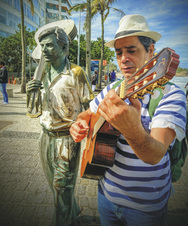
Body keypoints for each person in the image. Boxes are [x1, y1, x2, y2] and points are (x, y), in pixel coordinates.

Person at [69, 14, 186, 226]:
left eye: (131, 50)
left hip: (146, 207)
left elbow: (155, 154)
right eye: (119, 52)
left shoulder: (171, 95)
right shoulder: (112, 89)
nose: (123, 58)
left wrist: (132, 129)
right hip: (105, 194)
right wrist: (78, 124)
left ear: (151, 51)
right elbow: (86, 114)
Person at [26, 23, 94, 226]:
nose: (44, 50)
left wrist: (85, 131)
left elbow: (90, 107)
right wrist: (32, 93)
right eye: (42, 46)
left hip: (67, 140)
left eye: (48, 45)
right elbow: (33, 112)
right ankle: (73, 210)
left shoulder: (76, 73)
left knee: (62, 188)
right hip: (44, 137)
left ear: (63, 48)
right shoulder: (41, 73)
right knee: (54, 187)